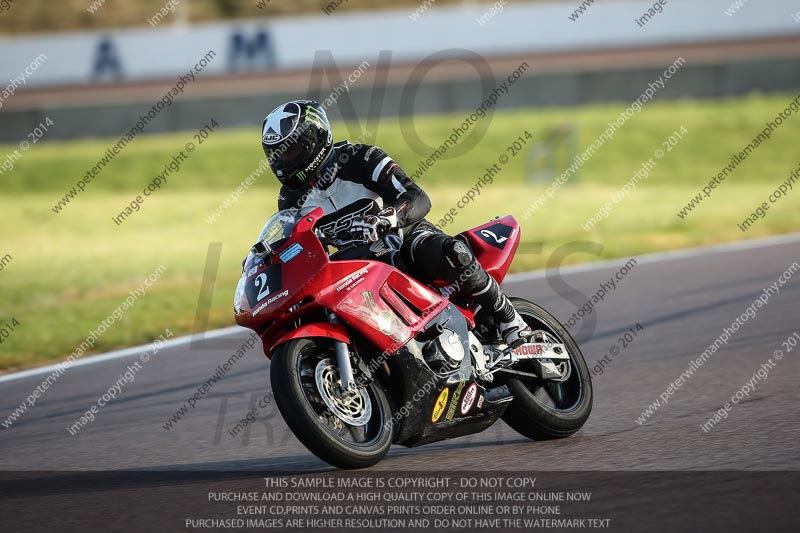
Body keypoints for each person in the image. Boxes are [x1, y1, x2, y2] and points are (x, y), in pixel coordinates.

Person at [261, 99, 531, 347]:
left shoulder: (361, 159)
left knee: (445, 250)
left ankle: (508, 316)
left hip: (403, 239)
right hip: (358, 266)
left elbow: (417, 197)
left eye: (292, 151)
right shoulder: (290, 200)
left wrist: (385, 218)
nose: (284, 162)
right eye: (278, 155)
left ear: (315, 140)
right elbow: (298, 244)